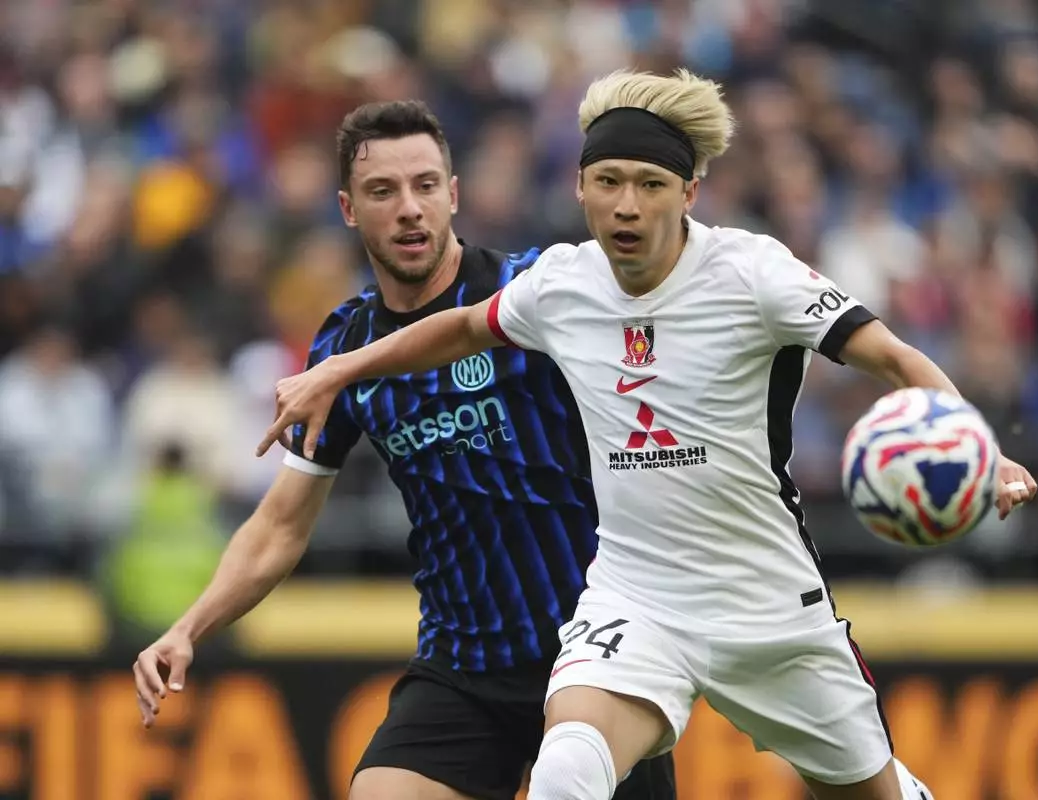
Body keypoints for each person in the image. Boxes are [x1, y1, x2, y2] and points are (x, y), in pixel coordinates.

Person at [259, 71, 1038, 800]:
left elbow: (893, 357)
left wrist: (977, 443)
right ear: (581, 189)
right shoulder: (563, 285)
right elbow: (457, 329)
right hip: (639, 597)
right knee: (567, 766)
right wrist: (338, 371)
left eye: (651, 185)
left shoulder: (753, 274)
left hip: (766, 602)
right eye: (609, 183)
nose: (627, 206)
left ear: (690, 192)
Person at [132, 100, 677, 800]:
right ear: (348, 209)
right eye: (383, 192)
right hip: (464, 666)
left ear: (453, 194)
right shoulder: (344, 348)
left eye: (425, 185)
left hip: (597, 650)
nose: (409, 209)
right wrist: (188, 628)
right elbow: (280, 525)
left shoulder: (538, 290)